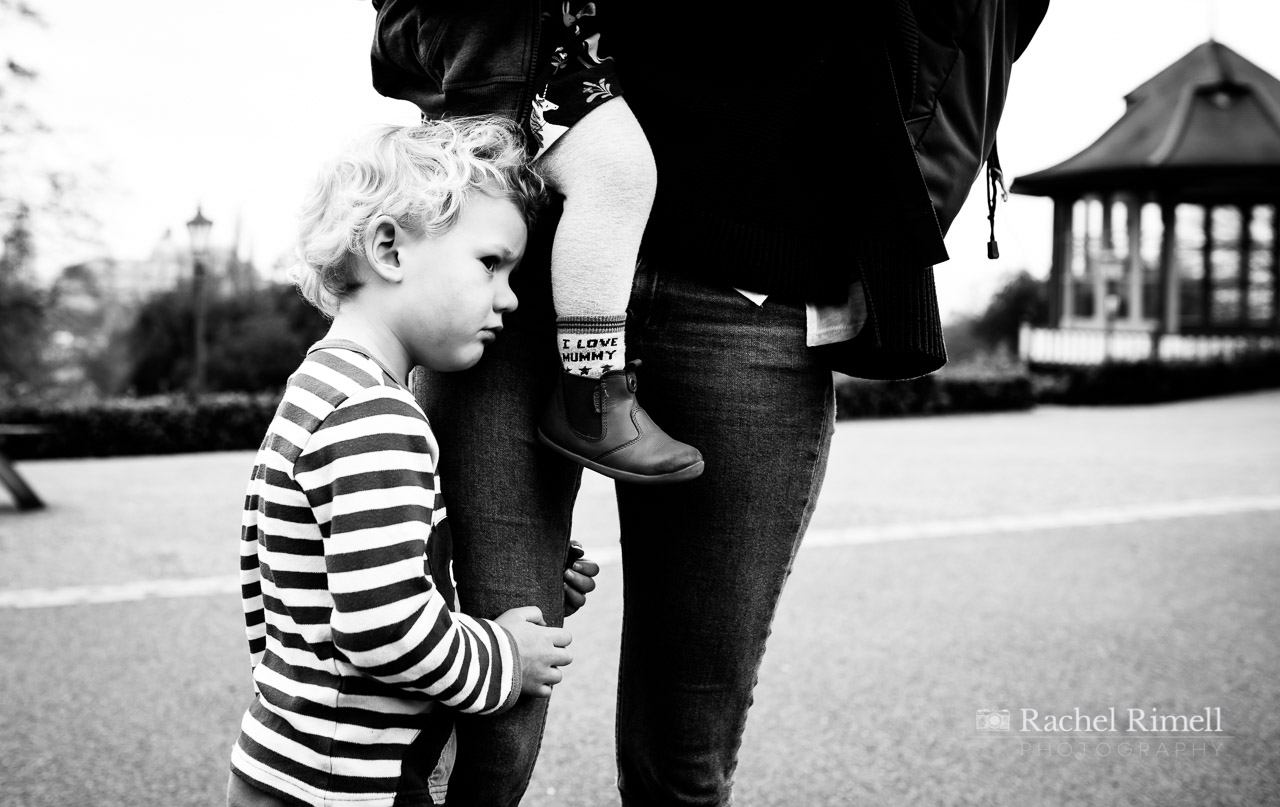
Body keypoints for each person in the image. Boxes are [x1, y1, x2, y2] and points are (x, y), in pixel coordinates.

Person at [368, 1, 1051, 804]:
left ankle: (593, 389)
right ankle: (595, 385)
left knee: (685, 756)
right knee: (482, 725)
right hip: (521, 251)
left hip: (762, 281)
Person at [225, 118, 598, 807]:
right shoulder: (377, 413)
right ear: (390, 249)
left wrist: (541, 573)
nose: (511, 297)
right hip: (350, 783)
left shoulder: (321, 387)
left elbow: (297, 574)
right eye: (491, 263)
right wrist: (505, 657)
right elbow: (383, 626)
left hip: (291, 762)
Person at [374, 2, 703, 485]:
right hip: (506, 42)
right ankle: (591, 392)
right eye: (489, 267)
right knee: (616, 170)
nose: (504, 298)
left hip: (523, 39)